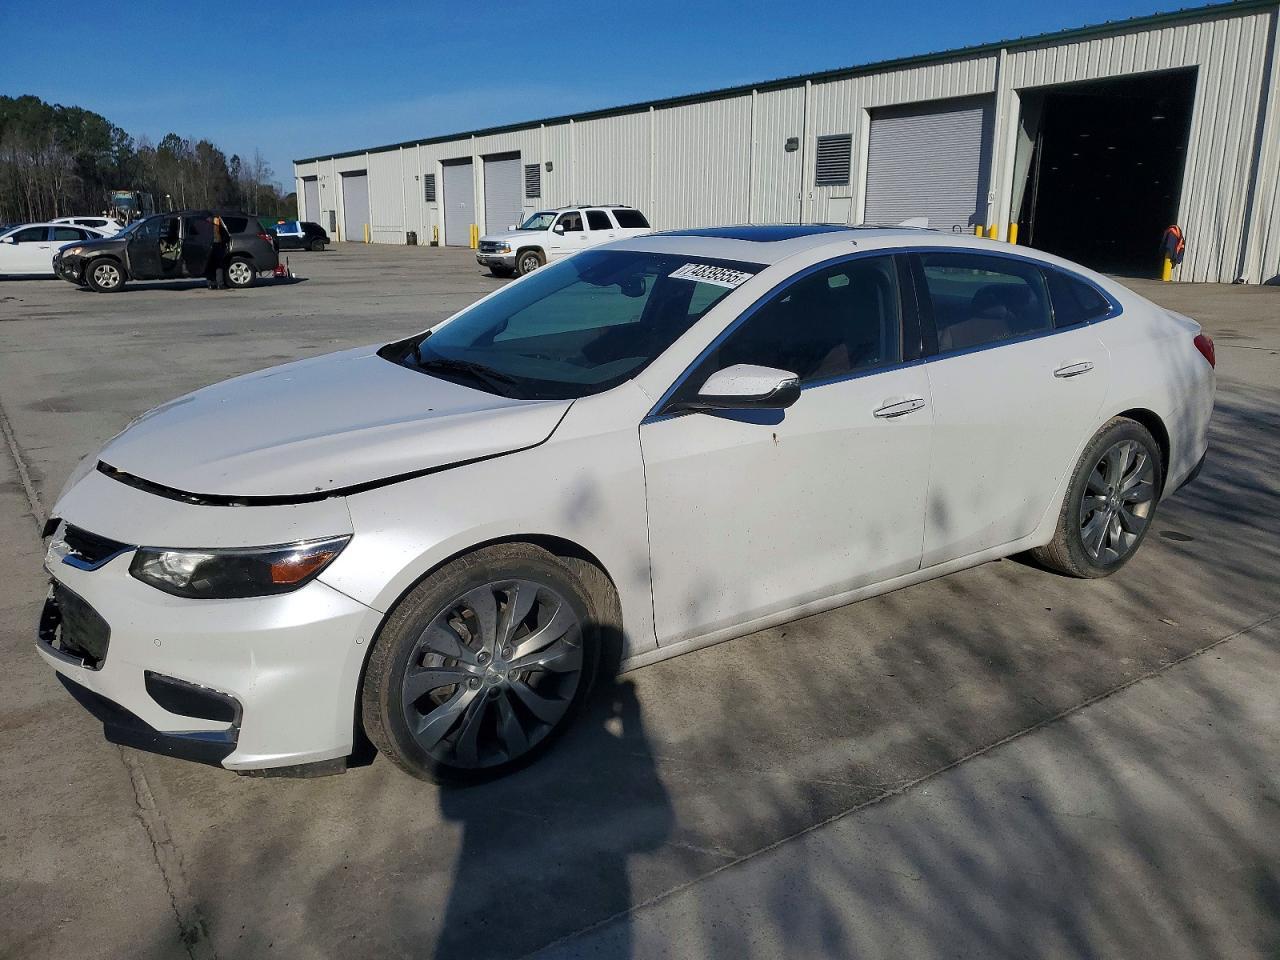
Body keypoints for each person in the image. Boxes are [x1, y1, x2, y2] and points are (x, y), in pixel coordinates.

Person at [206, 214, 229, 289]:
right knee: (218, 266)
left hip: (206, 248)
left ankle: (211, 284)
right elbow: (226, 236)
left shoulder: (203, 225)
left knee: (209, 266)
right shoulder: (218, 225)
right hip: (218, 246)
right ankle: (220, 284)